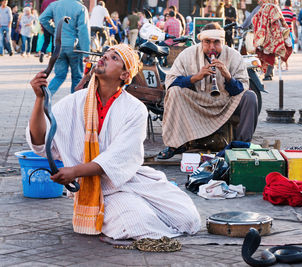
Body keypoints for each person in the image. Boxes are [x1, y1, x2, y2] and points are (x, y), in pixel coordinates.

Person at [27, 43, 201, 240]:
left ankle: (136, 211)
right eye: (105, 54)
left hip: (129, 178)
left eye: (114, 58)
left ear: (125, 75)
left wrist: (74, 172)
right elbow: (41, 141)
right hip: (102, 188)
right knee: (140, 222)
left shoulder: (135, 109)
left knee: (188, 218)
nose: (104, 58)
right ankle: (117, 213)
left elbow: (118, 158)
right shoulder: (74, 102)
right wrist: (39, 100)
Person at [157, 23, 258, 159]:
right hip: (197, 103)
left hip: (226, 103)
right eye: (207, 42)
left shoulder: (234, 56)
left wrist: (228, 77)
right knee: (174, 91)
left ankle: (240, 146)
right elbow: (171, 82)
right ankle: (175, 145)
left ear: (223, 42)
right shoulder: (187, 54)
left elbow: (241, 89)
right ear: (201, 42)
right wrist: (195, 78)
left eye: (216, 42)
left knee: (250, 97)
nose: (211, 47)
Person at [39, 0, 90, 95]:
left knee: (59, 76)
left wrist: (54, 31)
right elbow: (83, 31)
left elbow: (42, 18)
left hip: (59, 46)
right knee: (77, 77)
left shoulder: (54, 5)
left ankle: (45, 96)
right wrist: (86, 53)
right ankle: (74, 102)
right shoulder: (81, 8)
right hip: (74, 47)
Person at [253, 0, 292, 80]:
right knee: (271, 54)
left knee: (267, 54)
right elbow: (281, 21)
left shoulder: (263, 8)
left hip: (264, 35)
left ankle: (268, 74)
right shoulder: (274, 7)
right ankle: (268, 74)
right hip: (274, 35)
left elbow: (255, 20)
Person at [281, 0, 298, 70]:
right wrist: (296, 36)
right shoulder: (292, 13)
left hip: (281, 33)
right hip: (289, 32)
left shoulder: (281, 12)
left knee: (283, 48)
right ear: (290, 5)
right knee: (289, 49)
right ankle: (284, 64)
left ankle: (283, 64)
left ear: (285, 4)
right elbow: (294, 25)